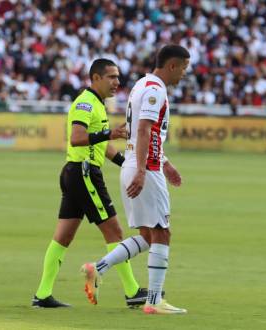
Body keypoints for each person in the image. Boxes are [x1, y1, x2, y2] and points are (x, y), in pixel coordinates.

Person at [81, 45, 190, 315]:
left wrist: (165, 163)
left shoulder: (142, 84)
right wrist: (145, 169)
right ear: (172, 66)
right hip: (144, 167)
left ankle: (98, 268)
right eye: (184, 68)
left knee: (147, 234)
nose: (185, 74)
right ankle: (154, 301)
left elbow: (141, 133)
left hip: (138, 163)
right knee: (162, 232)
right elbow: (142, 130)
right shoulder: (155, 90)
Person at [32, 58, 148, 308]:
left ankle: (42, 294)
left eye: (118, 77)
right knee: (115, 232)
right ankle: (133, 291)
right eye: (112, 77)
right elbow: (77, 138)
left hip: (76, 173)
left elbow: (103, 146)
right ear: (96, 78)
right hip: (84, 173)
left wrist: (128, 165)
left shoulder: (97, 104)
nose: (117, 82)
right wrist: (110, 133)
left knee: (63, 237)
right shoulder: (86, 103)